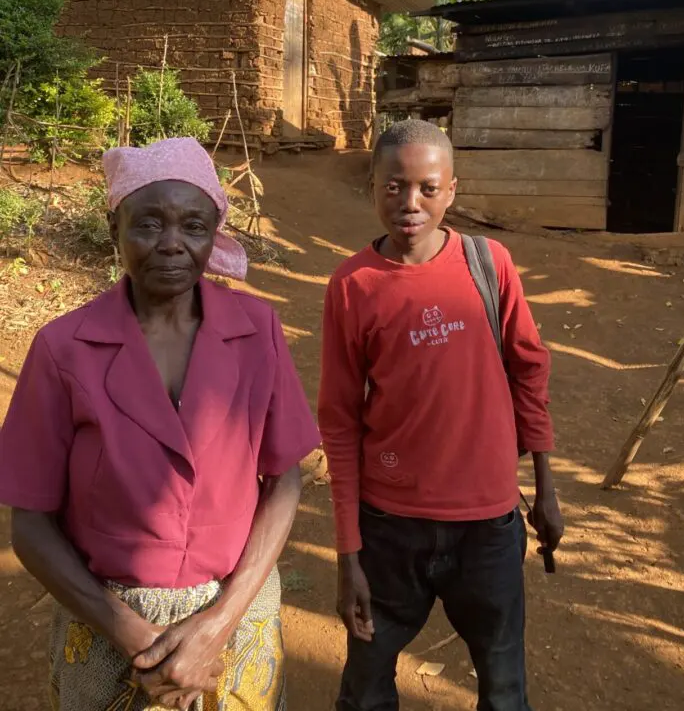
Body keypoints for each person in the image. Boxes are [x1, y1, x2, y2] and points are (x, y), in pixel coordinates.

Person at [0, 137, 320, 711]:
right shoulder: (63, 349)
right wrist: (137, 639)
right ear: (113, 226)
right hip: (106, 624)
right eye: (148, 224)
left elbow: (284, 479)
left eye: (193, 227)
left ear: (212, 233)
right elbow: (31, 524)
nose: (172, 245)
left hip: (235, 611)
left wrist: (218, 623)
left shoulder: (257, 330)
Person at [318, 119, 563, 711]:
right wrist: (349, 554)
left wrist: (546, 490)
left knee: (504, 687)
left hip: (488, 527)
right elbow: (341, 419)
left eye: (428, 188)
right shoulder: (353, 286)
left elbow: (529, 370)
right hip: (389, 526)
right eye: (393, 186)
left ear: (452, 189)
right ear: (372, 187)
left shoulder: (489, 265)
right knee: (365, 685)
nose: (410, 203)